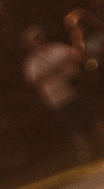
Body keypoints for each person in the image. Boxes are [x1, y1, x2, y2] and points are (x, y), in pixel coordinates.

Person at [21, 25, 96, 161]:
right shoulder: (32, 62)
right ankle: (85, 150)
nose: (39, 41)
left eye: (40, 37)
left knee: (91, 114)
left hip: (74, 89)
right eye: (35, 39)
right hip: (57, 98)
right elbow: (34, 80)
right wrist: (53, 72)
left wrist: (63, 63)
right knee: (73, 126)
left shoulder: (57, 47)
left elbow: (77, 54)